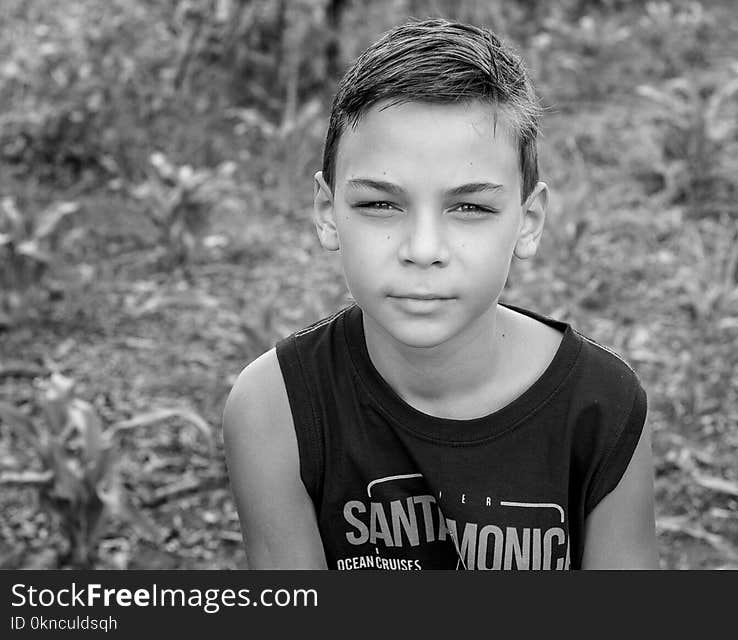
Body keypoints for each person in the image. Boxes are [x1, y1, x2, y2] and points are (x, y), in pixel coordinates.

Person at [222, 18, 659, 570]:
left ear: (528, 223)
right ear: (326, 213)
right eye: (381, 204)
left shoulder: (601, 406)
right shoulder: (276, 407)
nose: (423, 249)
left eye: (470, 207)